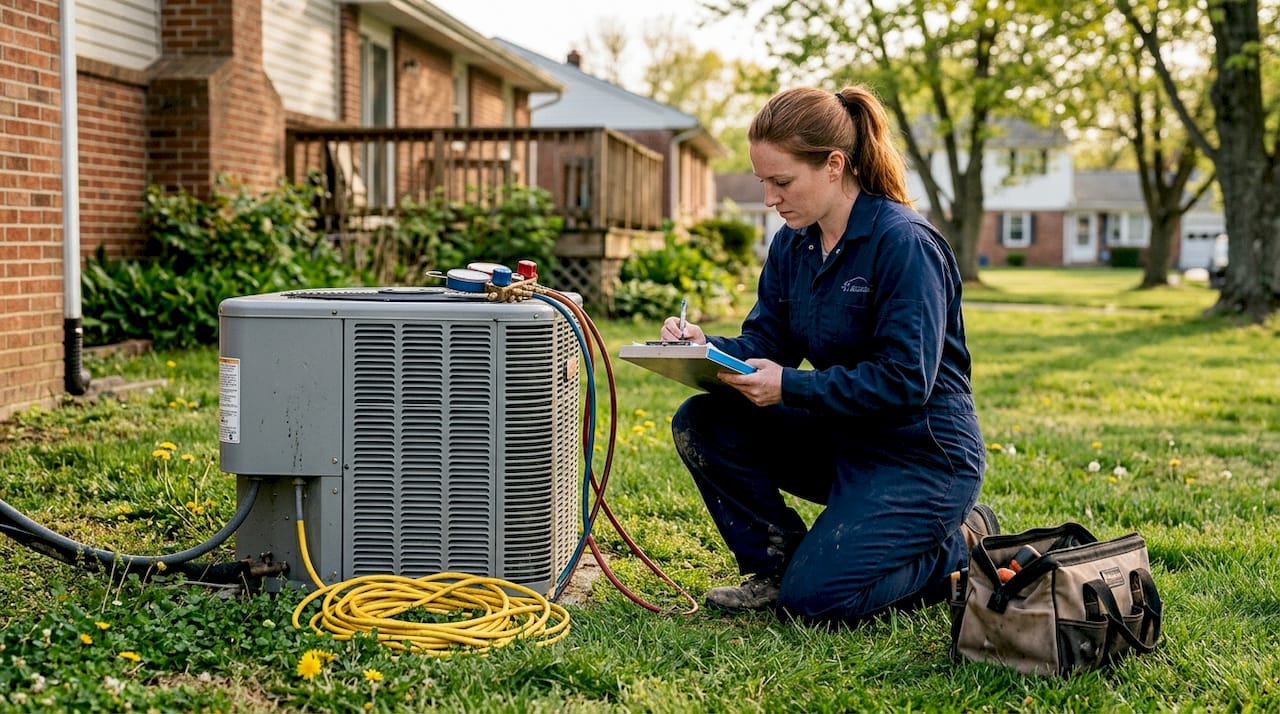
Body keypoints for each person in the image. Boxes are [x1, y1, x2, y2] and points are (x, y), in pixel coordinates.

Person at [659, 85, 996, 626]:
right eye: (763, 181)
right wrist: (704, 348)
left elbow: (906, 380)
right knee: (704, 421)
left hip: (922, 457)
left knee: (815, 604)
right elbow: (766, 344)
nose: (770, 197)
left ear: (834, 165)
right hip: (843, 436)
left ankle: (962, 541)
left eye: (782, 181)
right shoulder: (794, 243)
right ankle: (777, 563)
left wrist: (791, 387)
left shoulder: (904, 243)